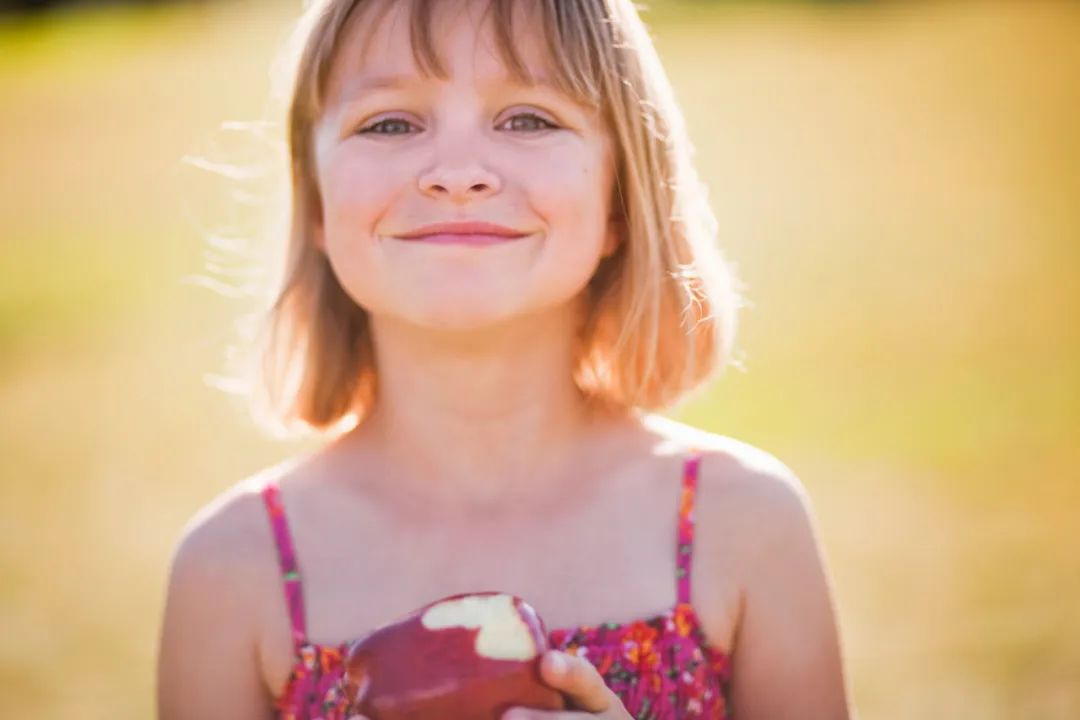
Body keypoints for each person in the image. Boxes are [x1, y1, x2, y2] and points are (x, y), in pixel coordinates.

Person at [156, 0, 854, 718]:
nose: (458, 174)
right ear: (318, 207)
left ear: (620, 198)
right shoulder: (236, 569)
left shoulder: (740, 524)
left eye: (528, 119)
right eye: (390, 123)